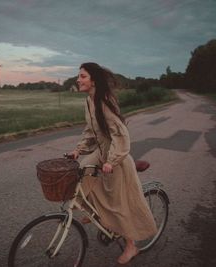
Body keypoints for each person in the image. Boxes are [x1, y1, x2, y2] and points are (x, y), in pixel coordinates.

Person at [68, 62, 158, 264]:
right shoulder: (90, 101)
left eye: (82, 76)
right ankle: (97, 213)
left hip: (115, 157)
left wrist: (112, 160)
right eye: (79, 76)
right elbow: (92, 131)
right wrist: (78, 150)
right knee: (81, 171)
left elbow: (120, 134)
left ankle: (131, 246)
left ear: (93, 80)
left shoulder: (104, 101)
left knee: (118, 204)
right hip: (101, 152)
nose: (78, 79)